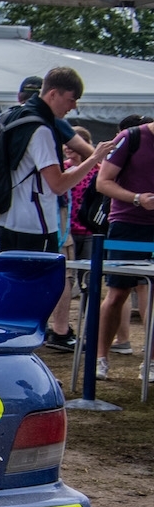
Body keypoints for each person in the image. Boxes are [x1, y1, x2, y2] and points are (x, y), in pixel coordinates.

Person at [0, 68, 113, 348]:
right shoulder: (42, 130)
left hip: (10, 219)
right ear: (53, 94)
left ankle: (11, 350)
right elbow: (57, 184)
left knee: (14, 292)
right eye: (72, 99)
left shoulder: (13, 118)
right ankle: (26, 354)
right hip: (36, 225)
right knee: (35, 296)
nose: (74, 106)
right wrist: (94, 158)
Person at [93, 117, 154, 381]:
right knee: (117, 293)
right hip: (127, 224)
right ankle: (100, 358)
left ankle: (150, 363)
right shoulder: (131, 137)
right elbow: (102, 181)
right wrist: (137, 198)